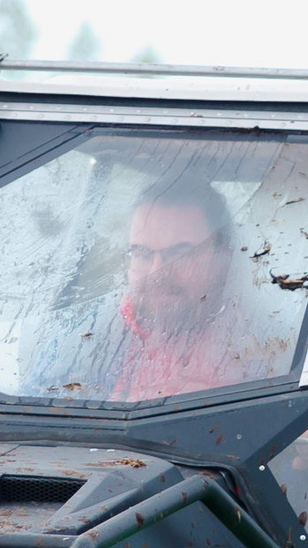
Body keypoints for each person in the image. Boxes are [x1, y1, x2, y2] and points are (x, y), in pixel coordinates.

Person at [106, 171, 264, 398]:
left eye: (181, 253)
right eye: (141, 253)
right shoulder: (95, 339)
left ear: (223, 261)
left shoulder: (267, 351)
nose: (157, 272)